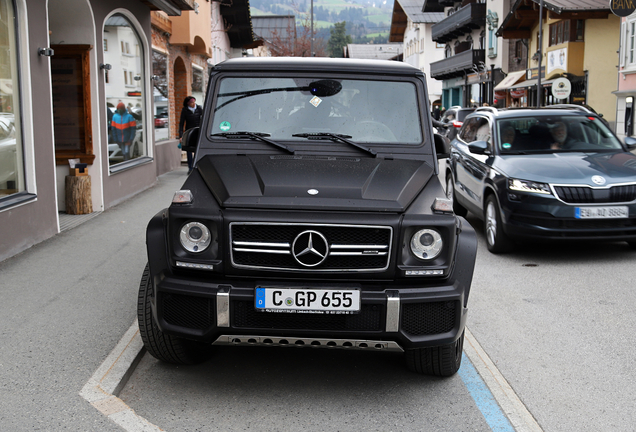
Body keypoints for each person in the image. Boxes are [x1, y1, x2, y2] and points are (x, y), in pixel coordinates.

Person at [179, 96, 203, 173]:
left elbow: (204, 118)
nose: (193, 104)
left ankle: (197, 165)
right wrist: (181, 135)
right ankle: (190, 167)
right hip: (189, 132)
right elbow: (181, 123)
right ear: (188, 104)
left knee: (197, 149)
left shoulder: (199, 108)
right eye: (191, 102)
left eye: (194, 102)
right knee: (189, 150)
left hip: (198, 131)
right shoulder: (185, 110)